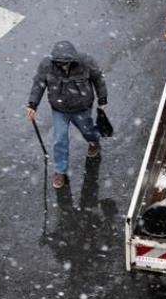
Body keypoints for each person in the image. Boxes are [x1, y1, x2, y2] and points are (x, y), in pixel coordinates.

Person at [26, 41, 108, 189]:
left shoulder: (86, 62)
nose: (63, 66)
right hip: (60, 110)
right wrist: (33, 104)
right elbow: (39, 83)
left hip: (82, 108)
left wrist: (102, 99)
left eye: (66, 63)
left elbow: (98, 78)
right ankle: (60, 171)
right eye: (59, 63)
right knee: (59, 139)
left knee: (88, 131)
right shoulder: (47, 65)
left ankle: (94, 142)